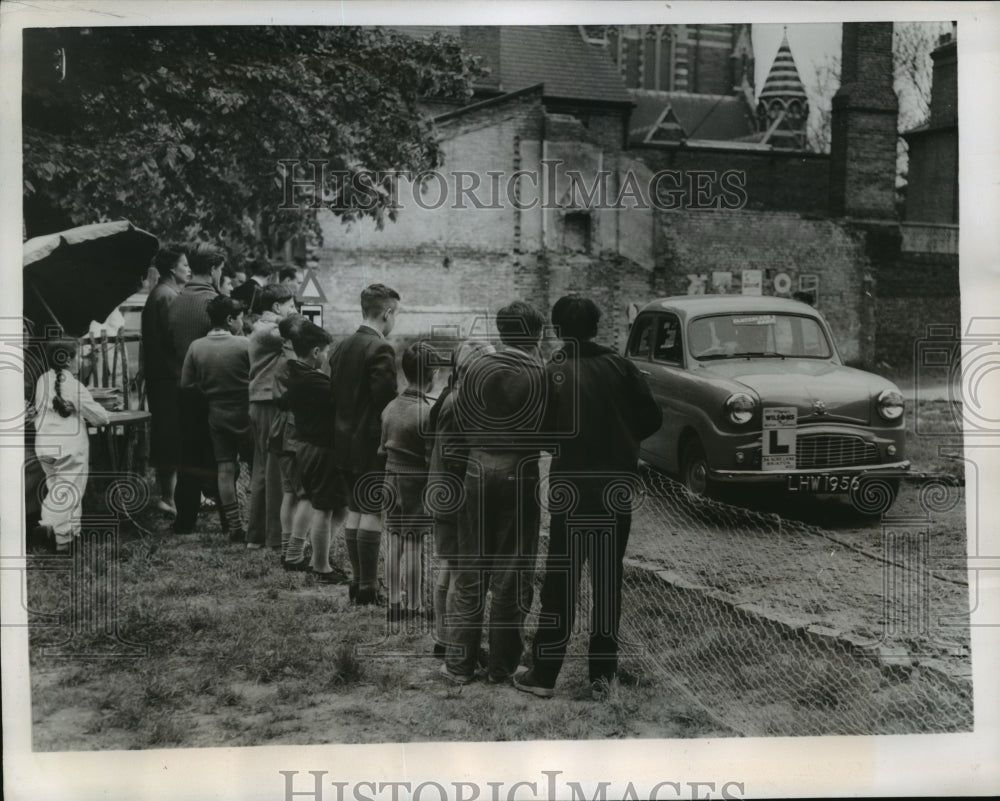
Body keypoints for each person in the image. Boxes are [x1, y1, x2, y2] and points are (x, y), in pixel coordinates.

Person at [514, 296, 662, 701]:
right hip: (616, 490)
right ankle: (602, 679)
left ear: (559, 330)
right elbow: (652, 418)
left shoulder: (555, 370)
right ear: (597, 327)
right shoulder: (621, 366)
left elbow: (539, 433)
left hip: (572, 491)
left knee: (561, 582)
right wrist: (622, 441)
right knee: (607, 582)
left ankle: (544, 675)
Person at [444, 301, 548, 685]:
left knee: (470, 568)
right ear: (536, 335)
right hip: (518, 471)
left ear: (502, 332)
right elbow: (550, 432)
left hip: (474, 468)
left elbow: (456, 426)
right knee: (512, 571)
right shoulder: (540, 373)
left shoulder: (473, 369)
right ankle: (502, 666)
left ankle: (458, 664)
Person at [328, 283, 400, 605]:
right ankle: (370, 587)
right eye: (395, 314)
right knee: (372, 511)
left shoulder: (340, 347)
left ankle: (358, 583)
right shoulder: (380, 349)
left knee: (355, 510)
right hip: (371, 443)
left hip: (342, 442)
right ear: (386, 313)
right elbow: (386, 402)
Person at [426, 338, 495, 657]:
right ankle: (454, 641)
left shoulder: (450, 396)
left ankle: (444, 638)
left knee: (449, 566)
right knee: (457, 570)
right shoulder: (460, 403)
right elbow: (456, 457)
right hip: (455, 495)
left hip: (443, 491)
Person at [282, 321, 351, 584]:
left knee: (340, 506)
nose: (326, 356)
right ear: (314, 352)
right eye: (325, 351)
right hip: (321, 449)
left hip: (309, 447)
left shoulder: (297, 373)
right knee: (324, 508)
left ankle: (318, 554)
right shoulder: (314, 382)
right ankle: (320, 566)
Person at [180, 296, 252, 542]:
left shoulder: (196, 347)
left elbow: (186, 384)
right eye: (240, 317)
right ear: (230, 319)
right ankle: (258, 521)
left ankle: (234, 526)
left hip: (217, 413)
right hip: (247, 412)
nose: (242, 321)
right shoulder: (245, 345)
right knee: (257, 468)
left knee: (224, 468)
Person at [167, 242, 225, 534]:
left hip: (183, 387)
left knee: (188, 454)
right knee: (222, 455)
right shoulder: (215, 303)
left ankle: (185, 518)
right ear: (214, 269)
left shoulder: (176, 300)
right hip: (214, 389)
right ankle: (230, 516)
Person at [32, 337, 111, 553]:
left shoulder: (42, 381)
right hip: (69, 446)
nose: (81, 361)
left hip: (45, 445)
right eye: (79, 356)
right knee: (70, 491)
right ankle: (58, 536)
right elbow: (100, 418)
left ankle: (69, 533)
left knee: (57, 487)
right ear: (67, 360)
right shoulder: (74, 386)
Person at [379, 341, 437, 622]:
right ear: (433, 374)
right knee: (414, 543)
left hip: (390, 478)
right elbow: (431, 458)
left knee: (394, 540)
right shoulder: (427, 412)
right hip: (416, 482)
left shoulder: (390, 407)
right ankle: (414, 605)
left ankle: (393, 602)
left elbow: (382, 448)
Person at [246, 283, 297, 550]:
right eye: (291, 305)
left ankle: (257, 535)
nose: (295, 310)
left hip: (259, 401)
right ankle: (275, 537)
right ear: (277, 307)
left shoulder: (261, 329)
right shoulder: (271, 331)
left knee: (262, 468)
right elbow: (303, 334)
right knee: (275, 469)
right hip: (268, 401)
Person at [141, 245, 191, 515]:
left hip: (161, 376)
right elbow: (175, 340)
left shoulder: (160, 293)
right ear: (173, 268)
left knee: (167, 434)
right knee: (173, 435)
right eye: (185, 264)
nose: (189, 269)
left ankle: (170, 496)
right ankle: (170, 498)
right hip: (171, 377)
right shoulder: (168, 296)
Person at [269, 313, 313, 567]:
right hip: (292, 433)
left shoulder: (282, 359)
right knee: (305, 493)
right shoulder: (292, 362)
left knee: (290, 493)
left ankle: (288, 549)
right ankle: (295, 553)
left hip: (280, 431)